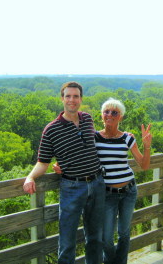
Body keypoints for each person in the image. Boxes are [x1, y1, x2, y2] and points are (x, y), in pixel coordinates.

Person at [23, 81, 105, 264]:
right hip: (72, 187)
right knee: (67, 241)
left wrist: (122, 136)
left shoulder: (88, 119)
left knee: (95, 238)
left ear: (81, 99)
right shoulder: (51, 129)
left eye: (76, 96)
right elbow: (43, 162)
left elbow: (93, 145)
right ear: (62, 99)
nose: (72, 100)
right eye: (68, 96)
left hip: (97, 183)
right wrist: (30, 177)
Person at [96, 98, 152, 264]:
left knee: (124, 233)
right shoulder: (95, 137)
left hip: (129, 191)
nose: (110, 115)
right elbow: (80, 156)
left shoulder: (128, 139)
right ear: (101, 115)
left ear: (120, 117)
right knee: (106, 238)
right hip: (107, 194)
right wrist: (61, 166)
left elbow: (144, 165)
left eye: (115, 112)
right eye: (107, 111)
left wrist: (147, 146)